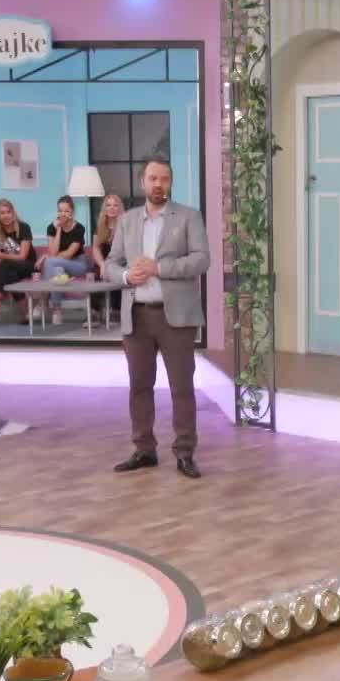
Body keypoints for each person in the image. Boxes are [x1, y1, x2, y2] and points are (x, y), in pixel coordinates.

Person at [107, 157, 209, 478]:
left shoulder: (189, 217)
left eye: (164, 179)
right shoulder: (127, 220)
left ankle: (185, 453)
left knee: (181, 387)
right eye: (153, 178)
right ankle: (144, 449)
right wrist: (126, 276)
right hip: (136, 316)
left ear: (170, 183)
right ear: (143, 182)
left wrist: (159, 268)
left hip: (175, 318)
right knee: (139, 386)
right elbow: (110, 264)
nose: (158, 184)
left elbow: (202, 260)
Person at [90, 193, 125, 324]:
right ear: (104, 208)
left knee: (118, 274)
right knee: (96, 275)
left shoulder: (125, 226)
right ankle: (95, 312)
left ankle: (116, 310)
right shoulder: (100, 226)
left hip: (120, 262)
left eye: (115, 205)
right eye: (108, 205)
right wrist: (102, 264)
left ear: (119, 208)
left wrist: (113, 266)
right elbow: (95, 248)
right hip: (103, 262)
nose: (112, 208)